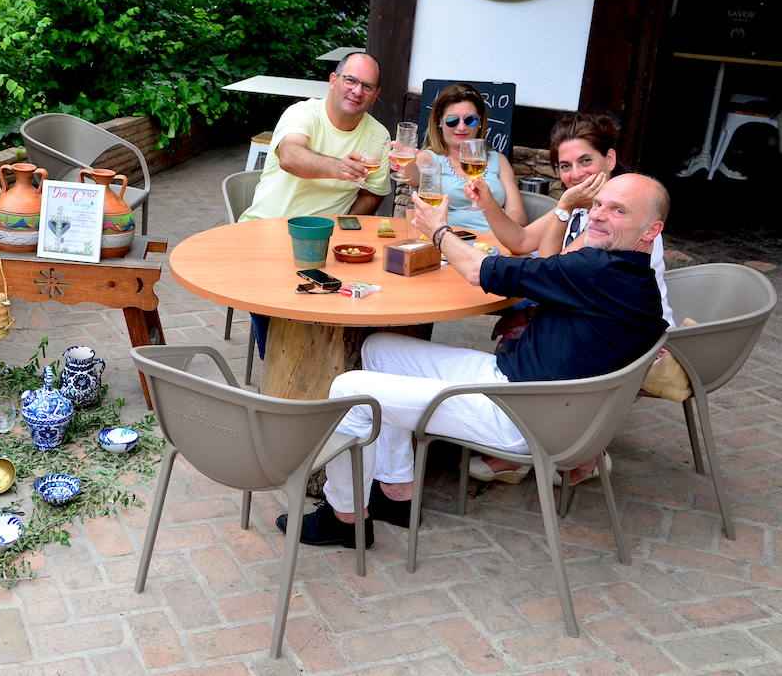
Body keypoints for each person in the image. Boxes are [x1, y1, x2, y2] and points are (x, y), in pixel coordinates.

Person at [276, 174, 670, 548]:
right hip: (522, 384)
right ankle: (396, 493)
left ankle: (345, 520)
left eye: (618, 211)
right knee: (380, 348)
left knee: (350, 389)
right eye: (599, 204)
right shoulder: (626, 276)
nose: (599, 214)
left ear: (651, 231)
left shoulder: (598, 270)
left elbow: (477, 269)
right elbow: (545, 265)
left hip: (522, 413)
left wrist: (438, 230)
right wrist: (566, 209)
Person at [467, 113, 673, 325]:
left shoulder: (613, 220)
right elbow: (520, 241)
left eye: (585, 161)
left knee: (488, 288)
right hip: (590, 322)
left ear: (610, 159)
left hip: (633, 340)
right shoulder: (583, 203)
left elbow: (546, 275)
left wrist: (564, 207)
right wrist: (487, 203)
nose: (576, 174)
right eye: (565, 166)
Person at [239, 52, 391, 221]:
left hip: (326, 239)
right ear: (333, 81)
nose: (357, 91)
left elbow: (372, 193)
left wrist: (345, 226)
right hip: (268, 227)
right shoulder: (302, 113)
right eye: (350, 80)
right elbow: (289, 157)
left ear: (376, 95)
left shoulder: (379, 135)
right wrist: (338, 168)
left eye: (367, 86)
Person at [396, 82, 525, 233]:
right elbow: (414, 176)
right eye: (452, 121)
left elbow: (519, 215)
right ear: (439, 122)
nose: (462, 127)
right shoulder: (429, 158)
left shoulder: (499, 160)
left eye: (470, 120)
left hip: (495, 243)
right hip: (449, 240)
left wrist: (497, 238)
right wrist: (405, 162)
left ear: (480, 122)